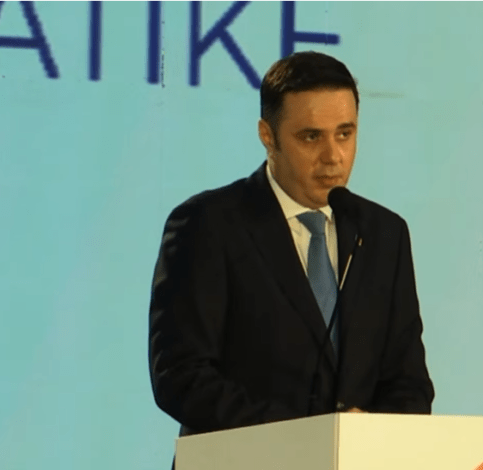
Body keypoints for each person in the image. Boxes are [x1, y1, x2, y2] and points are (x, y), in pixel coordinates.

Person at [148, 51, 434, 468]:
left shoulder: (383, 233)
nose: (333, 156)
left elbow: (408, 382)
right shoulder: (208, 224)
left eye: (345, 133)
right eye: (311, 137)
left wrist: (371, 436)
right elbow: (181, 375)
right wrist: (306, 438)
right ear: (268, 135)